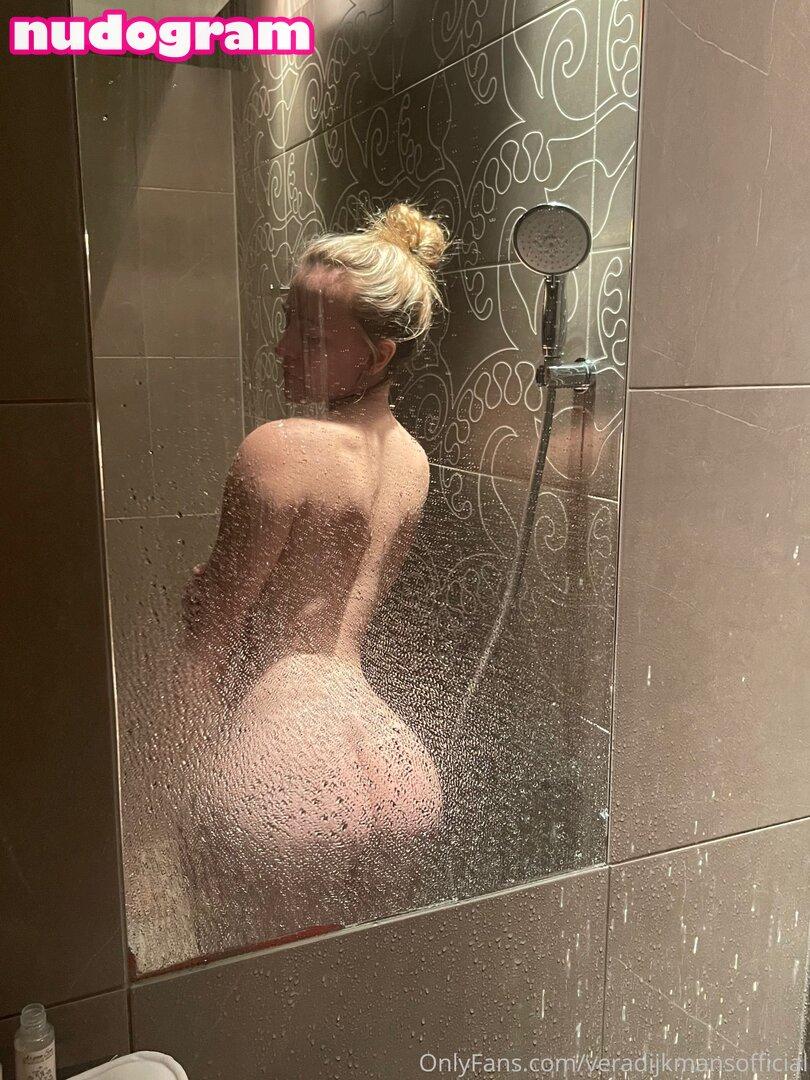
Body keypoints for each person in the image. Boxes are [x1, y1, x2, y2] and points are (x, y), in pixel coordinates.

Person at [170, 203, 449, 956]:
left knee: (253, 997)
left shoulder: (279, 448)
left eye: (313, 335)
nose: (282, 346)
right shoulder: (414, 461)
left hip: (286, 770)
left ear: (379, 354)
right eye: (289, 321)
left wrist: (176, 790)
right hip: (397, 766)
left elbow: (206, 646)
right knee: (369, 992)